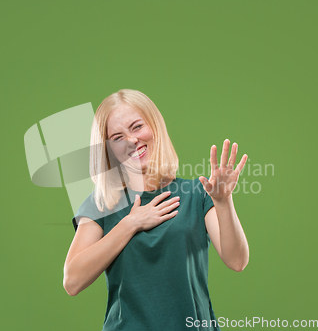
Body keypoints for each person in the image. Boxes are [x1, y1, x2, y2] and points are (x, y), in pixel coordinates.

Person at [63, 89, 249, 331]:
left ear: (155, 126)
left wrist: (223, 201)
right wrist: (131, 224)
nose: (131, 140)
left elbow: (237, 261)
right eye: (117, 137)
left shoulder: (197, 193)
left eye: (137, 127)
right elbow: (72, 281)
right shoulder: (102, 204)